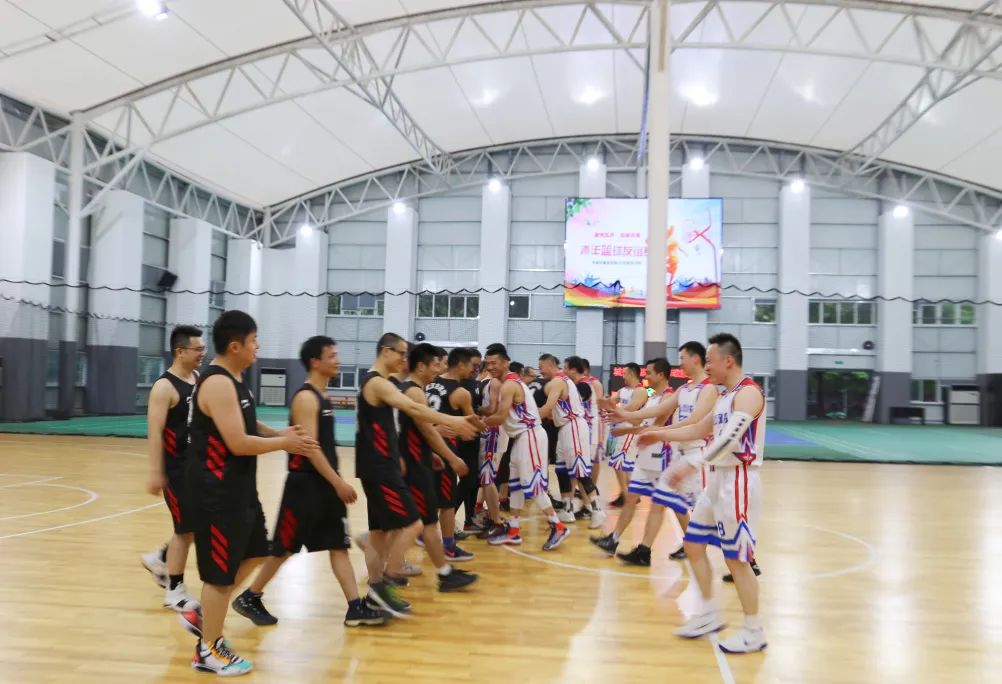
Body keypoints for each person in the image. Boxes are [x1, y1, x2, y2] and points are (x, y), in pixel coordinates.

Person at [183, 310, 318, 676]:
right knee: (219, 575)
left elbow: (244, 422)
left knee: (258, 550)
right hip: (215, 493)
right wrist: (285, 444)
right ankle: (208, 650)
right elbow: (238, 442)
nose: (258, 346)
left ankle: (204, 614)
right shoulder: (217, 382)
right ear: (234, 346)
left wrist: (278, 434)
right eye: (254, 341)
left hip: (238, 489)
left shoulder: (235, 379)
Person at [230, 336, 389, 628]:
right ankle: (250, 596)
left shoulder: (323, 395)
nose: (337, 361)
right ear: (315, 362)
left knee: (338, 545)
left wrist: (334, 483)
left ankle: (355, 607)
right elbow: (310, 448)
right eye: (332, 356)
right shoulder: (306, 398)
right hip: (304, 486)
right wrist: (338, 482)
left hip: (323, 485)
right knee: (283, 548)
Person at [637, 333, 767, 653]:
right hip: (717, 480)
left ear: (728, 360)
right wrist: (658, 434)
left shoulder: (749, 393)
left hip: (738, 480)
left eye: (710, 360)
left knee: (737, 559)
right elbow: (697, 429)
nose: (706, 366)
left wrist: (694, 463)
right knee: (694, 545)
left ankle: (754, 631)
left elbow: (730, 440)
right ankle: (708, 613)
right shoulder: (724, 396)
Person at [356, 333, 481, 615]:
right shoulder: (380, 383)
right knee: (414, 525)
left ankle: (377, 590)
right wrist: (455, 422)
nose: (405, 358)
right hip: (383, 468)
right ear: (385, 351)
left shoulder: (386, 383)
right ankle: (388, 581)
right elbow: (415, 412)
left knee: (380, 533)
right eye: (401, 353)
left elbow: (398, 427)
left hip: (384, 465)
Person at [606, 342, 717, 566]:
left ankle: (742, 557)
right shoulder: (684, 389)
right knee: (662, 501)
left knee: (707, 513)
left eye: (683, 358)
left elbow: (694, 422)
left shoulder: (709, 389)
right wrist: (624, 414)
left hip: (697, 455)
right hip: (681, 455)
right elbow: (657, 410)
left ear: (695, 359)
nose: (680, 363)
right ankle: (645, 551)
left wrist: (658, 433)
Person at [397, 343, 479, 591]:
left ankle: (444, 572)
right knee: (423, 522)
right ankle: (386, 572)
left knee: (422, 522)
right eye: (435, 364)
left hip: (418, 460)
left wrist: (432, 452)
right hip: (414, 464)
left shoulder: (410, 389)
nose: (438, 369)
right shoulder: (415, 392)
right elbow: (428, 431)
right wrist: (451, 457)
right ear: (421, 366)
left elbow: (420, 431)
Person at [141, 325, 206, 614]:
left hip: (197, 467)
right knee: (185, 529)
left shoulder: (197, 379)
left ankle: (160, 557)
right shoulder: (164, 387)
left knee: (194, 525)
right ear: (180, 352)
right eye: (198, 349)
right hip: (176, 470)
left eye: (203, 348)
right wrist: (156, 471)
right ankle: (175, 591)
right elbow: (155, 432)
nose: (202, 353)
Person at [484, 344, 570, 550]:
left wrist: (476, 422)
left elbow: (500, 416)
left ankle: (558, 526)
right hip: (520, 437)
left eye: (494, 363)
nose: (490, 367)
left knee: (532, 484)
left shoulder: (509, 385)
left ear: (506, 363)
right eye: (488, 364)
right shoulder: (507, 383)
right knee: (515, 485)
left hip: (529, 435)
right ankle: (513, 531)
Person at [590, 358, 674, 555]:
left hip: (661, 456)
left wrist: (624, 423)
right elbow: (642, 421)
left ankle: (688, 544)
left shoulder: (668, 397)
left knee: (672, 506)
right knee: (631, 498)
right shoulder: (652, 396)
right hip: (645, 455)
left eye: (650, 373)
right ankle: (613, 539)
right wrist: (620, 421)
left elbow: (655, 426)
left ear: (661, 375)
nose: (646, 377)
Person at [424, 347, 480, 560]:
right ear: (461, 365)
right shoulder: (461, 393)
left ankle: (423, 539)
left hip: (423, 447)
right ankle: (448, 546)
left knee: (425, 498)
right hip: (444, 449)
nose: (473, 370)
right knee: (447, 503)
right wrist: (492, 420)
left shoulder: (429, 383)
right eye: (471, 366)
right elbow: (472, 423)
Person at [536, 353, 601, 527]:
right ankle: (567, 509)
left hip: (574, 426)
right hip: (565, 427)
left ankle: (597, 509)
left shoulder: (559, 381)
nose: (540, 371)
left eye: (541, 367)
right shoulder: (559, 382)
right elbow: (552, 412)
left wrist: (527, 417)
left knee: (580, 471)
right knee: (561, 469)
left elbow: (547, 408)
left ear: (550, 365)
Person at [562, 356, 607, 530]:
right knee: (576, 472)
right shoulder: (582, 384)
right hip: (584, 433)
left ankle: (592, 507)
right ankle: (581, 505)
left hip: (588, 434)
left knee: (582, 472)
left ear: (574, 369)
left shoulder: (585, 385)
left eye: (566, 368)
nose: (564, 371)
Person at [603, 362, 647, 506]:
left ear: (632, 374)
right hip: (623, 429)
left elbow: (632, 407)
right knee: (625, 465)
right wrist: (604, 403)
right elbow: (610, 402)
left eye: (625, 373)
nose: (623, 376)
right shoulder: (622, 390)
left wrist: (615, 411)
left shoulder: (641, 390)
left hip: (632, 430)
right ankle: (632, 493)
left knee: (618, 462)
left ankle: (626, 494)